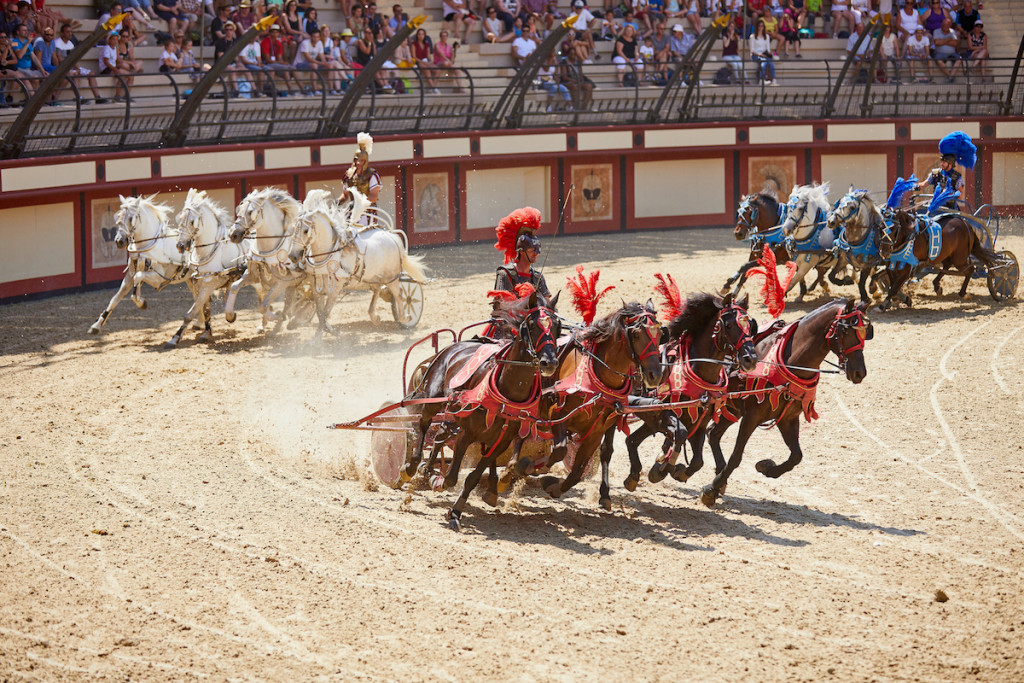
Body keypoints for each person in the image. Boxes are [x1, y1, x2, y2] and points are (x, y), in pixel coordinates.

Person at [492, 206, 550, 299]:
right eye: (531, 250)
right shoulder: (505, 274)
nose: (536, 253)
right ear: (522, 251)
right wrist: (525, 300)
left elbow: (547, 304)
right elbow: (502, 306)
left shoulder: (537, 277)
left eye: (537, 249)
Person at [917, 131, 974, 210]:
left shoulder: (956, 177)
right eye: (941, 161)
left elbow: (960, 195)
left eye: (944, 162)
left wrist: (950, 195)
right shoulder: (936, 173)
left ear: (950, 163)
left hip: (950, 208)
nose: (941, 164)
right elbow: (924, 184)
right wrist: (914, 186)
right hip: (935, 206)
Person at [53, 22, 107, 102]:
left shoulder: (70, 44)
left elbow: (73, 59)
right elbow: (60, 60)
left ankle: (97, 97)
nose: (70, 34)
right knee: (74, 73)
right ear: (62, 33)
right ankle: (79, 97)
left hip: (71, 67)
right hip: (62, 68)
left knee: (91, 73)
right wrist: (73, 69)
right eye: (67, 32)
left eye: (71, 32)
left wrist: (77, 67)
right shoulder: (57, 43)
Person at [340, 132, 382, 225]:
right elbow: (345, 196)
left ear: (366, 161)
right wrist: (335, 204)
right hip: (351, 210)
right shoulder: (349, 175)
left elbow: (374, 196)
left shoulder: (372, 175)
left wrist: (360, 204)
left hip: (367, 211)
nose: (358, 163)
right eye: (356, 159)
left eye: (361, 160)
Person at [932, 15, 959, 82]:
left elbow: (955, 43)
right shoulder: (936, 31)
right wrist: (948, 40)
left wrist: (942, 41)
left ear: (950, 25)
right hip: (940, 52)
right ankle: (950, 76)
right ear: (942, 24)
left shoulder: (953, 32)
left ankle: (950, 78)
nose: (945, 26)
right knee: (938, 60)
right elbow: (937, 42)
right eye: (944, 24)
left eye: (947, 24)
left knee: (959, 60)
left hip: (952, 53)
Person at [750, 20, 774, 84]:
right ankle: (761, 80)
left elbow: (768, 49)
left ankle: (774, 79)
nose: (761, 27)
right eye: (759, 26)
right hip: (756, 55)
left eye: (762, 26)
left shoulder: (767, 36)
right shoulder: (753, 36)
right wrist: (759, 54)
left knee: (771, 63)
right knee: (763, 63)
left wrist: (769, 53)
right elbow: (752, 50)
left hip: (764, 54)